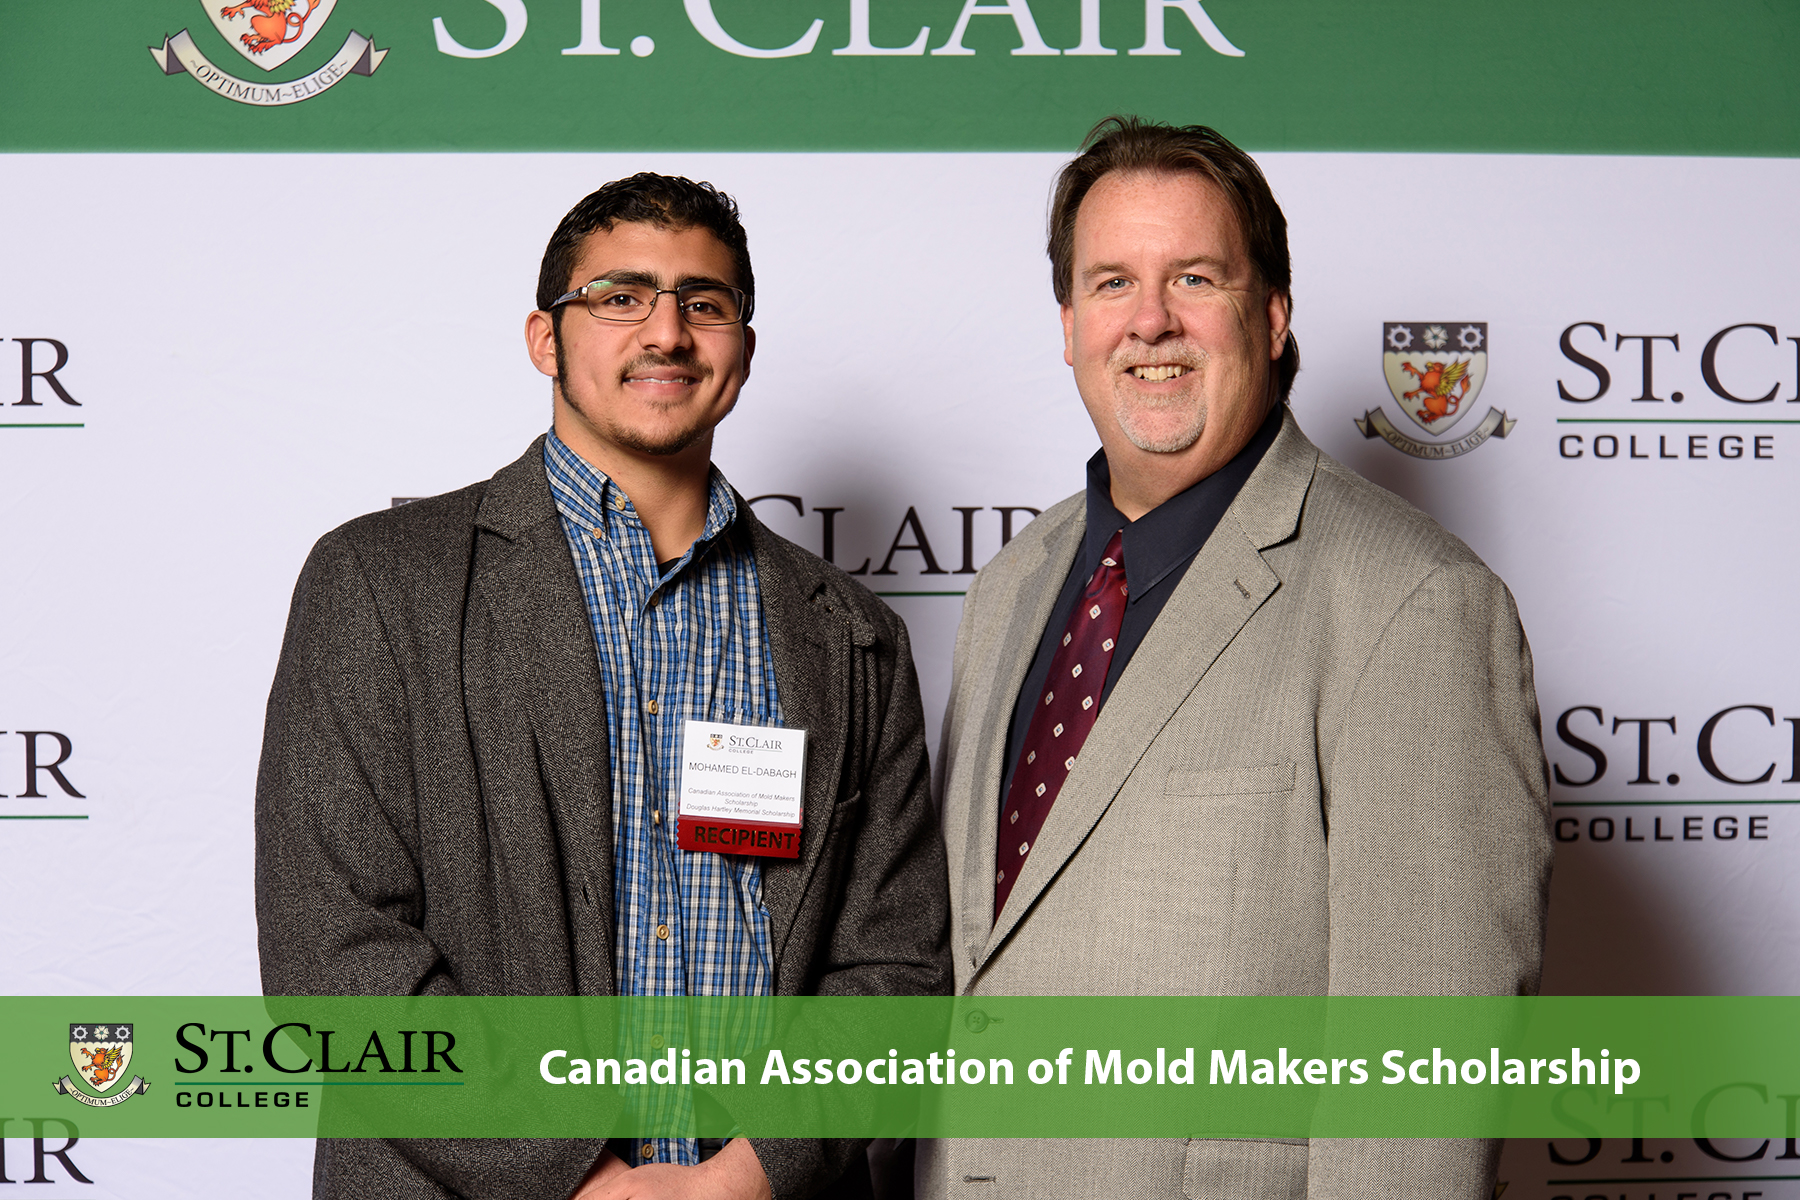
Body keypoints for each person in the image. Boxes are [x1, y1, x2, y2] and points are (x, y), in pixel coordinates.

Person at [256, 173, 951, 1199]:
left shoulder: (850, 635)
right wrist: (585, 1180)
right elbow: (335, 956)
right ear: (546, 339)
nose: (666, 332)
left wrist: (748, 1176)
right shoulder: (380, 584)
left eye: (703, 302)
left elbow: (893, 971)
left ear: (743, 349)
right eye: (620, 297)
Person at [922, 118, 1552, 1198]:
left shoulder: (1415, 602)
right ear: (1069, 325)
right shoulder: (1011, 587)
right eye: (1112, 283)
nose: (1150, 321)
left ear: (1270, 315)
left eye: (1195, 278)